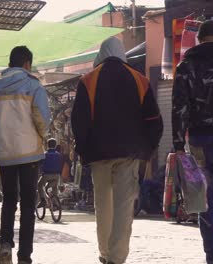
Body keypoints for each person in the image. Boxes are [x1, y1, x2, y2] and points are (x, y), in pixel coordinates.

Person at [71, 36, 163, 264]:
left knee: (103, 205)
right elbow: (153, 120)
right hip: (129, 154)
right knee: (123, 207)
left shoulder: (88, 80)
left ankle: (104, 253)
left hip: (98, 154)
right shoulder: (139, 80)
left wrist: (83, 151)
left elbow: (79, 122)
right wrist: (148, 149)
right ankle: (116, 258)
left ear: (101, 54)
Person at [0, 46, 50, 264]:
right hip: (29, 155)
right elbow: (43, 119)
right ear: (27, 63)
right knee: (28, 204)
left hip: (5, 154)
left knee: (8, 201)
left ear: (10, 63)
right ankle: (24, 256)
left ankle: (5, 245)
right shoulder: (33, 85)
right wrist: (39, 135)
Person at [172, 20, 213, 264]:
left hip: (199, 139)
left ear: (199, 38)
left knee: (206, 198)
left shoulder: (186, 66)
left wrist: (179, 145)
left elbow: (180, 107)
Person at [37, 138, 62, 208]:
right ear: (55, 145)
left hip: (46, 175)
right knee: (54, 187)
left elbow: (40, 164)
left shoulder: (44, 154)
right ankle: (55, 203)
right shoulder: (58, 155)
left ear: (47, 145)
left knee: (39, 185)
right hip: (57, 175)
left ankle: (42, 200)